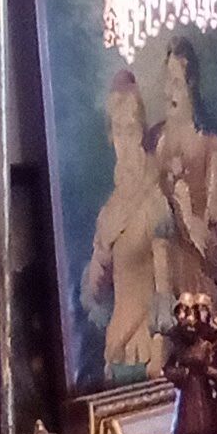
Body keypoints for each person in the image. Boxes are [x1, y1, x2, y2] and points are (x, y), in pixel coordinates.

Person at [82, 70, 166, 379]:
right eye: (119, 132)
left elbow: (165, 289)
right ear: (111, 137)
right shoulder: (108, 213)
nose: (126, 142)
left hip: (147, 352)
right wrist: (100, 257)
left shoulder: (155, 201)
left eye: (131, 131)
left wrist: (158, 349)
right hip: (115, 350)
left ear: (142, 134)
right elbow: (97, 297)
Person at [150, 38, 217, 307]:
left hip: (198, 290)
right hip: (158, 281)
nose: (168, 92)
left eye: (176, 83)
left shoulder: (211, 148)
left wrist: (187, 214)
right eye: (167, 81)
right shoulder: (155, 140)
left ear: (191, 85)